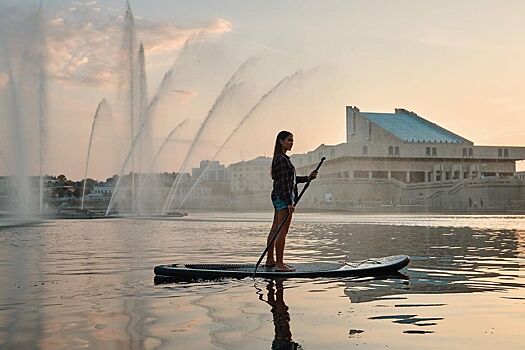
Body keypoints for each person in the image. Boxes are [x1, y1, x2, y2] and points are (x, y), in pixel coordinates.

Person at [265, 131, 317, 272]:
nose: (291, 143)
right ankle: (280, 264)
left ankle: (270, 260)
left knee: (275, 229)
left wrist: (307, 178)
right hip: (283, 197)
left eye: (292, 140)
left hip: (278, 196)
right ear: (281, 141)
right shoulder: (281, 159)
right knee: (282, 231)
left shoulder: (281, 158)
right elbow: (284, 183)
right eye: (289, 140)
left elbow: (290, 179)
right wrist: (289, 202)